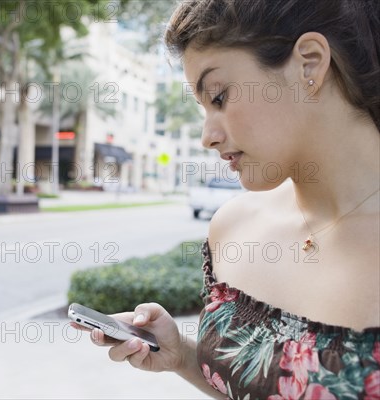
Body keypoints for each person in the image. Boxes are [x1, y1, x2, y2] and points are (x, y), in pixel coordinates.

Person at [74, 0, 380, 398]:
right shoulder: (233, 228)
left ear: (309, 64)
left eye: (218, 97)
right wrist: (183, 357)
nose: (208, 136)